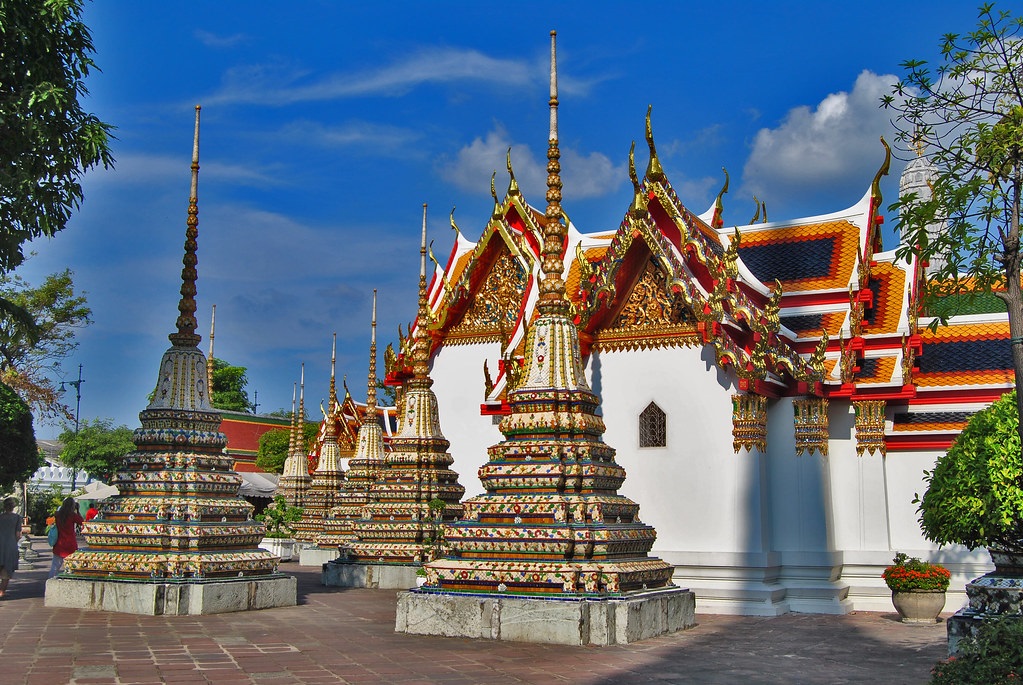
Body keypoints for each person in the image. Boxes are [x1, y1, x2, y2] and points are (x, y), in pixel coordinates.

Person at [49, 496, 83, 578]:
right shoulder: (72, 515)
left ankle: (50, 581)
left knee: (55, 567)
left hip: (59, 544)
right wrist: (77, 510)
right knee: (70, 567)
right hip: (70, 543)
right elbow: (82, 522)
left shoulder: (57, 515)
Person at [0, 497, 22, 598]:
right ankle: (1, 591)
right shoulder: (17, 518)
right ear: (13, 507)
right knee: (6, 571)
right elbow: (18, 535)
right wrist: (14, 542)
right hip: (10, 546)